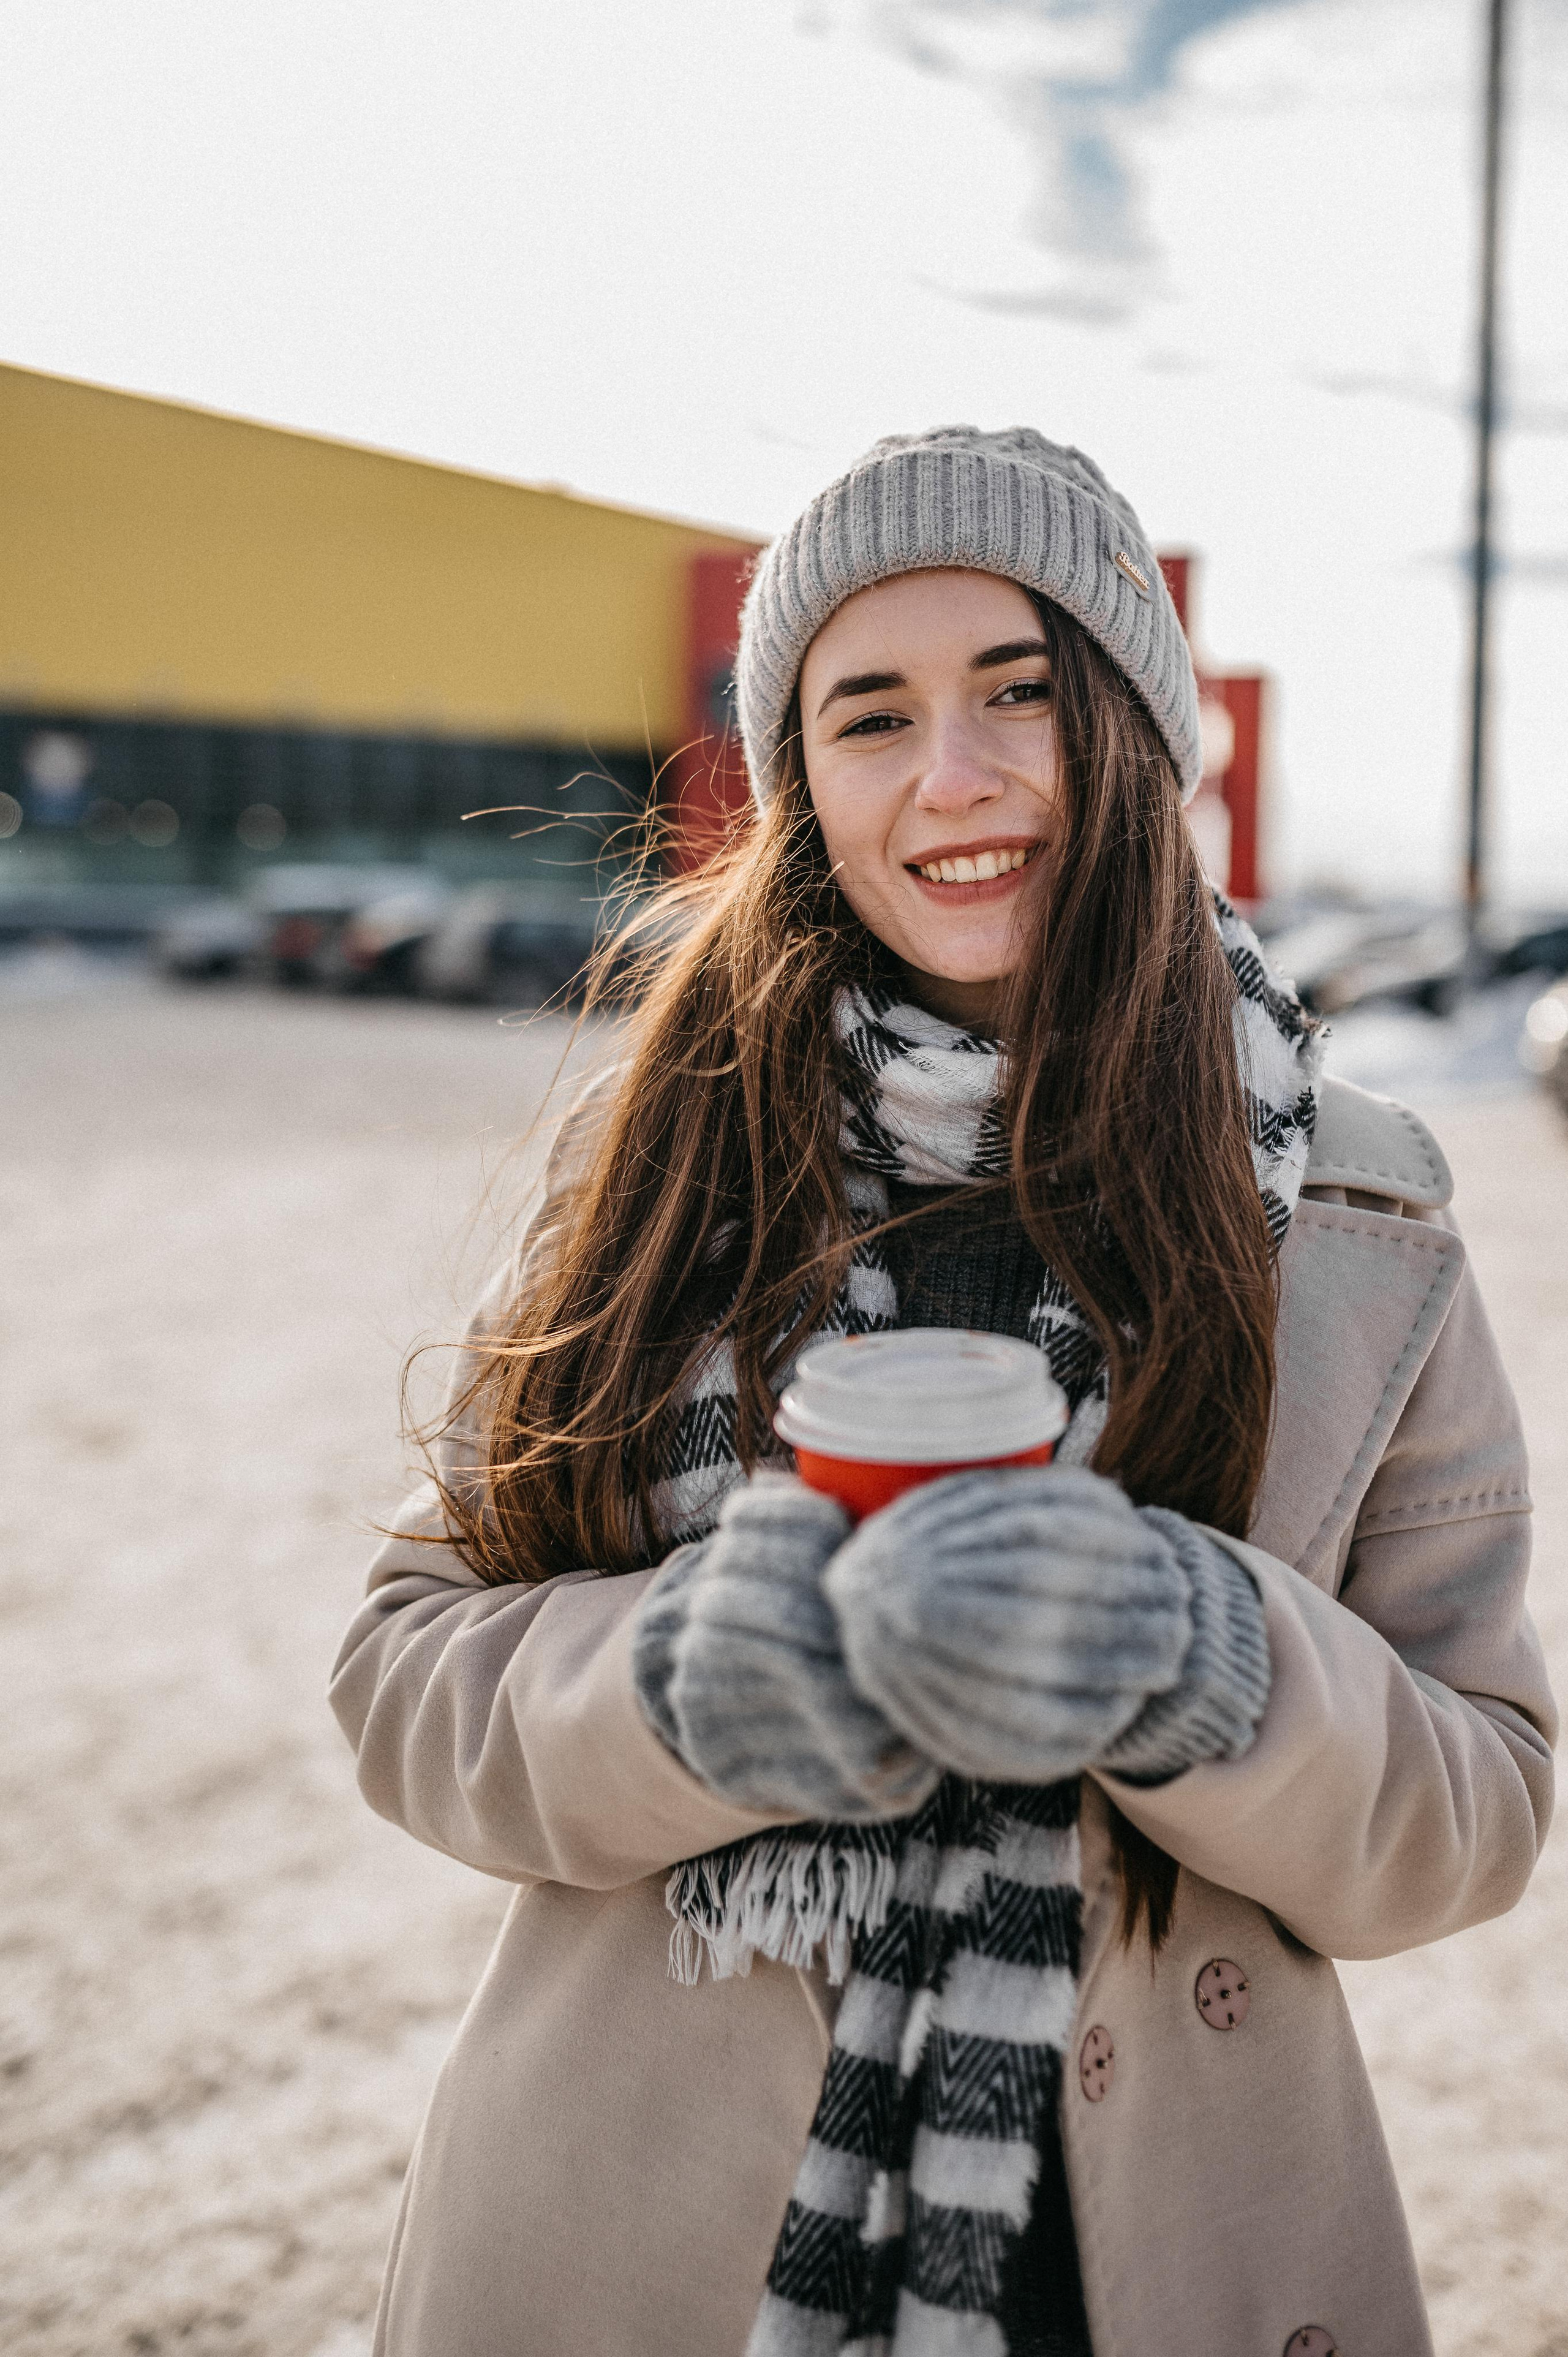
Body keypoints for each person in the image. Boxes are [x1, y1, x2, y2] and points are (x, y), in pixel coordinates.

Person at [330, 426, 1556, 2357]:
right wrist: (671, 1687)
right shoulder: (660, 1156)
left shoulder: (1356, 1201)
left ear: (1136, 740)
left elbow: (1479, 1810)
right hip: (645, 2249)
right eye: (869, 717)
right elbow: (405, 1672)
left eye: (1021, 694)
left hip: (1154, 2267)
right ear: (805, 784)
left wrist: (1203, 1657)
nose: (955, 778)